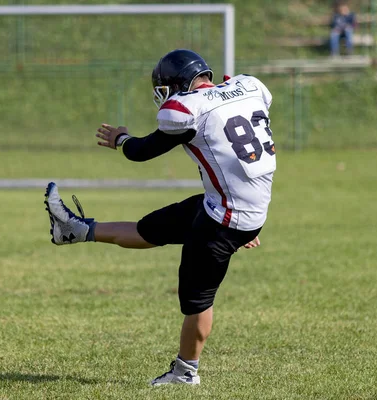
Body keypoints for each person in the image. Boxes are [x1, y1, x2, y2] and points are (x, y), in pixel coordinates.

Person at [44, 49, 276, 386]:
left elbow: (140, 151)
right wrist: (247, 220)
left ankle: (185, 373)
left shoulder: (189, 111)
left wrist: (120, 138)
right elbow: (233, 159)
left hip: (225, 218)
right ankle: (76, 230)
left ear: (176, 84)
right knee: (152, 228)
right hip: (231, 206)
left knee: (197, 302)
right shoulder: (247, 89)